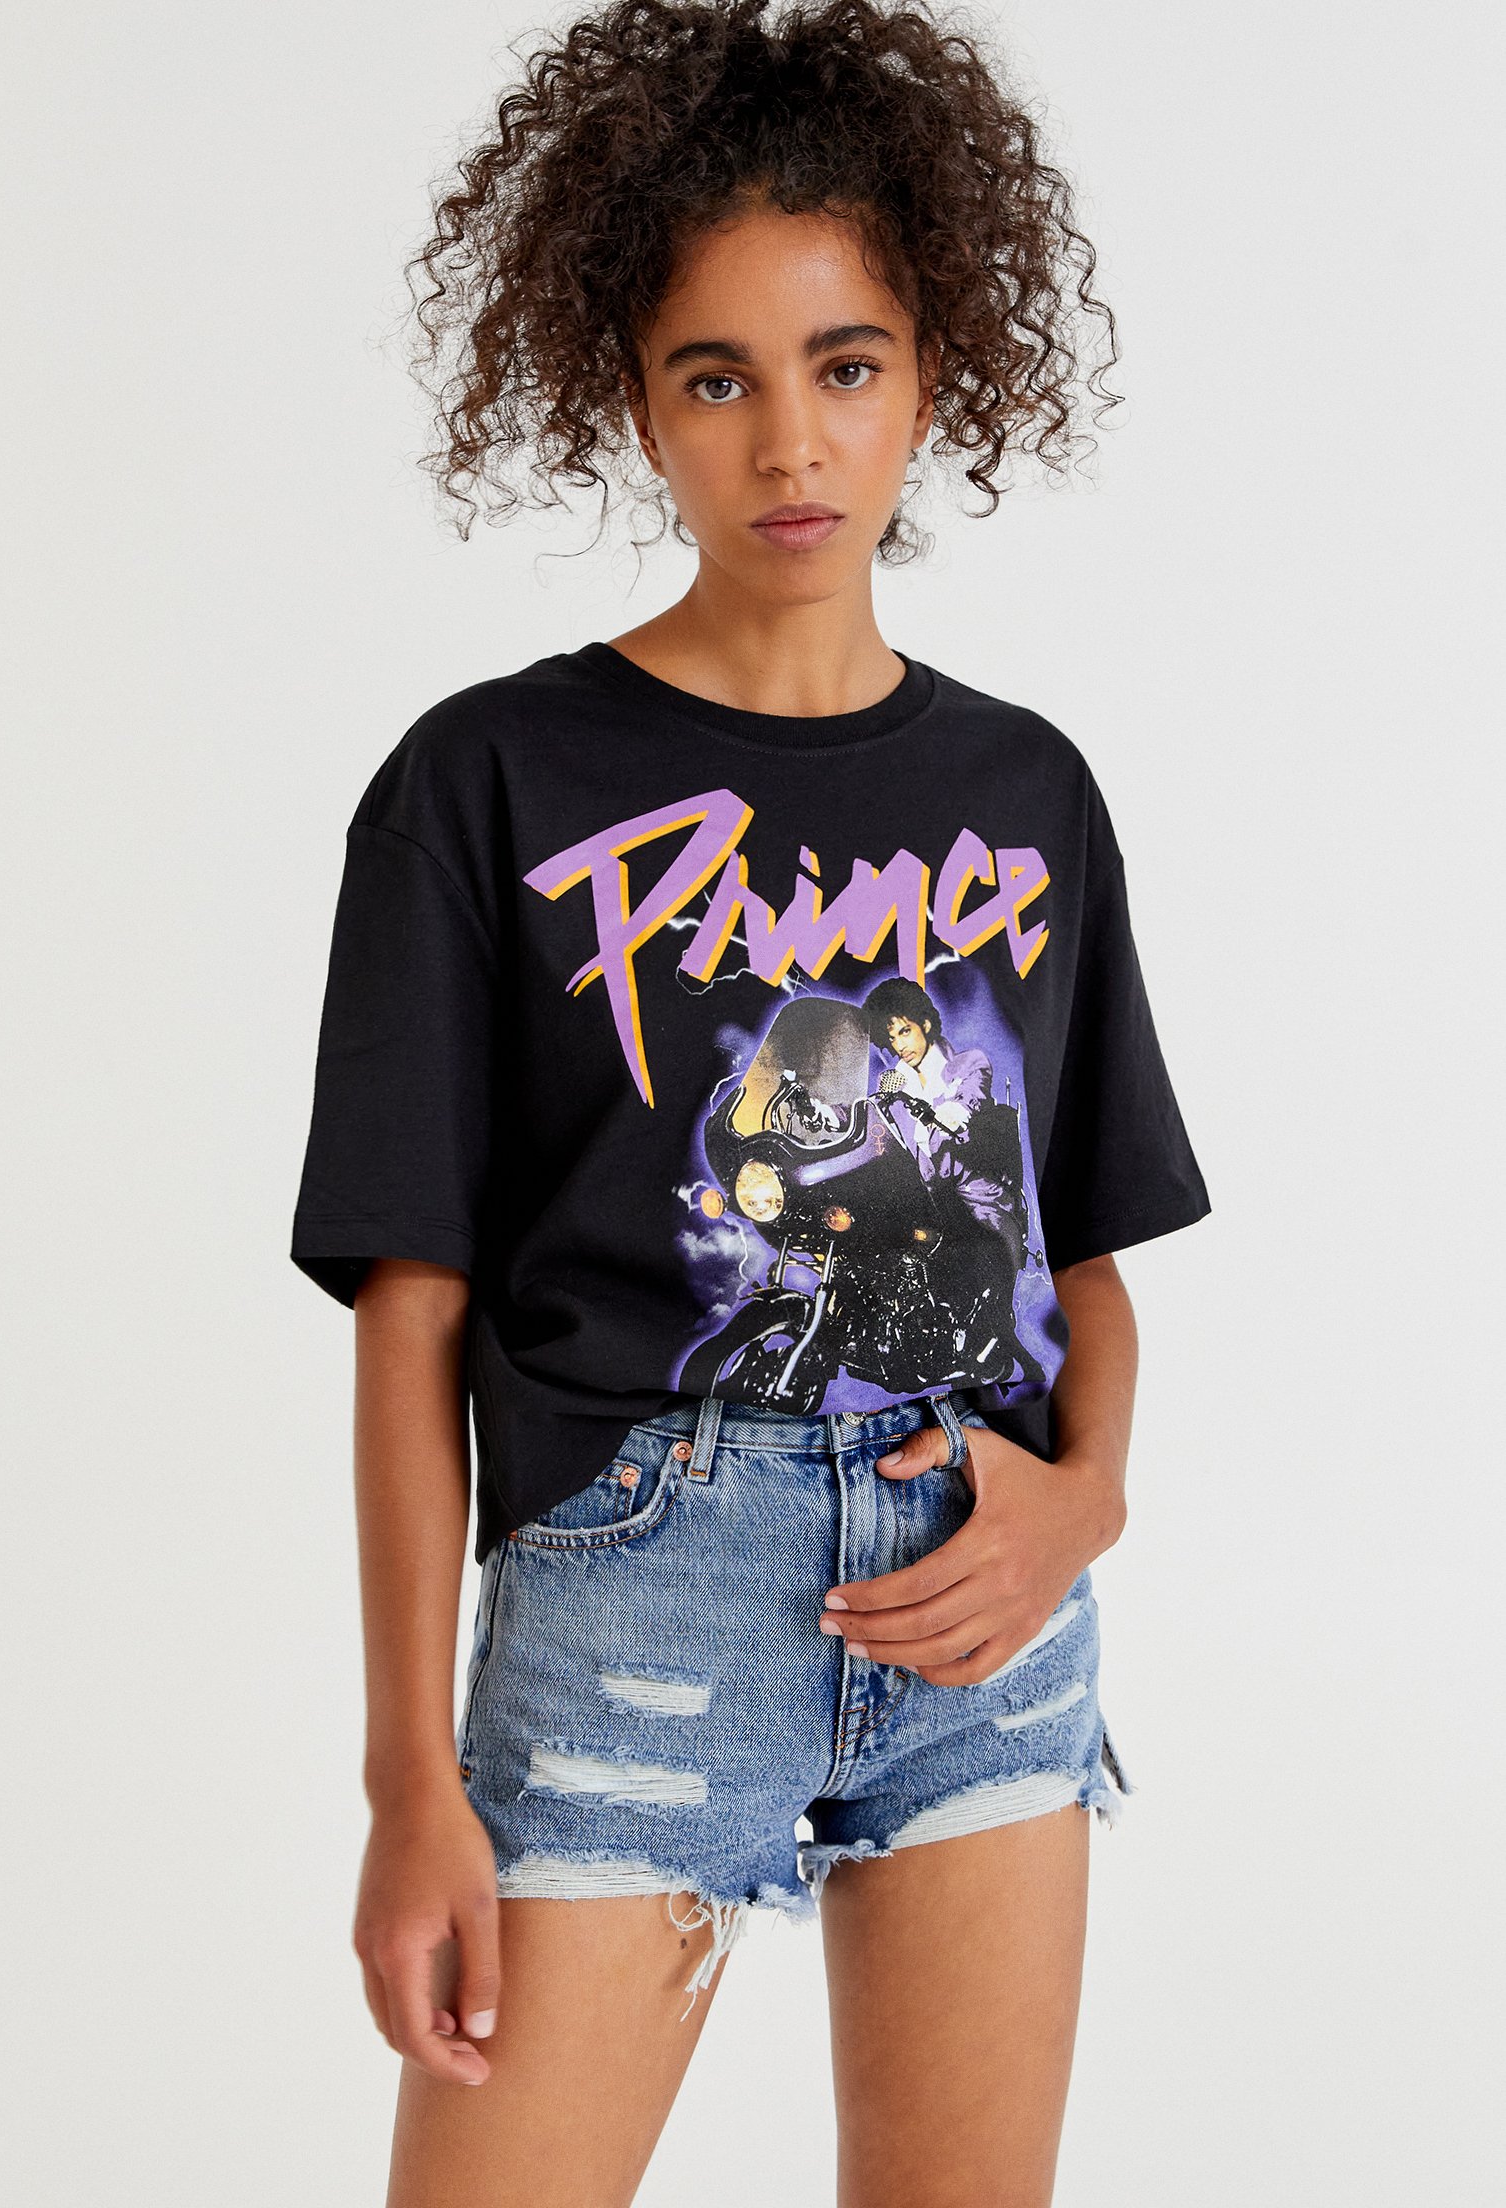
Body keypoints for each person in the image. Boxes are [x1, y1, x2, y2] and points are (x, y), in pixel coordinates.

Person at [289, 3, 1212, 2201]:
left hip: (983, 1601)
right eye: (716, 377)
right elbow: (410, 1312)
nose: (789, 440)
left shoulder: (1025, 792)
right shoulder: (486, 783)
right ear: (631, 398)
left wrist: (1085, 1502)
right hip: (636, 1598)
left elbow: (1080, 1249)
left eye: (845, 364)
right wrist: (408, 1779)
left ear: (933, 375)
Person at [865, 974, 1050, 1391]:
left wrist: (952, 1113)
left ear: (926, 1023)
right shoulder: (893, 1083)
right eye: (891, 1037)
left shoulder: (967, 1063)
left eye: (905, 1031)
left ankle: (998, 1344)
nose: (899, 1044)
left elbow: (971, 1097)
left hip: (974, 1189)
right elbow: (873, 1118)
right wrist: (828, 1114)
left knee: (989, 1248)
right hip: (926, 1196)